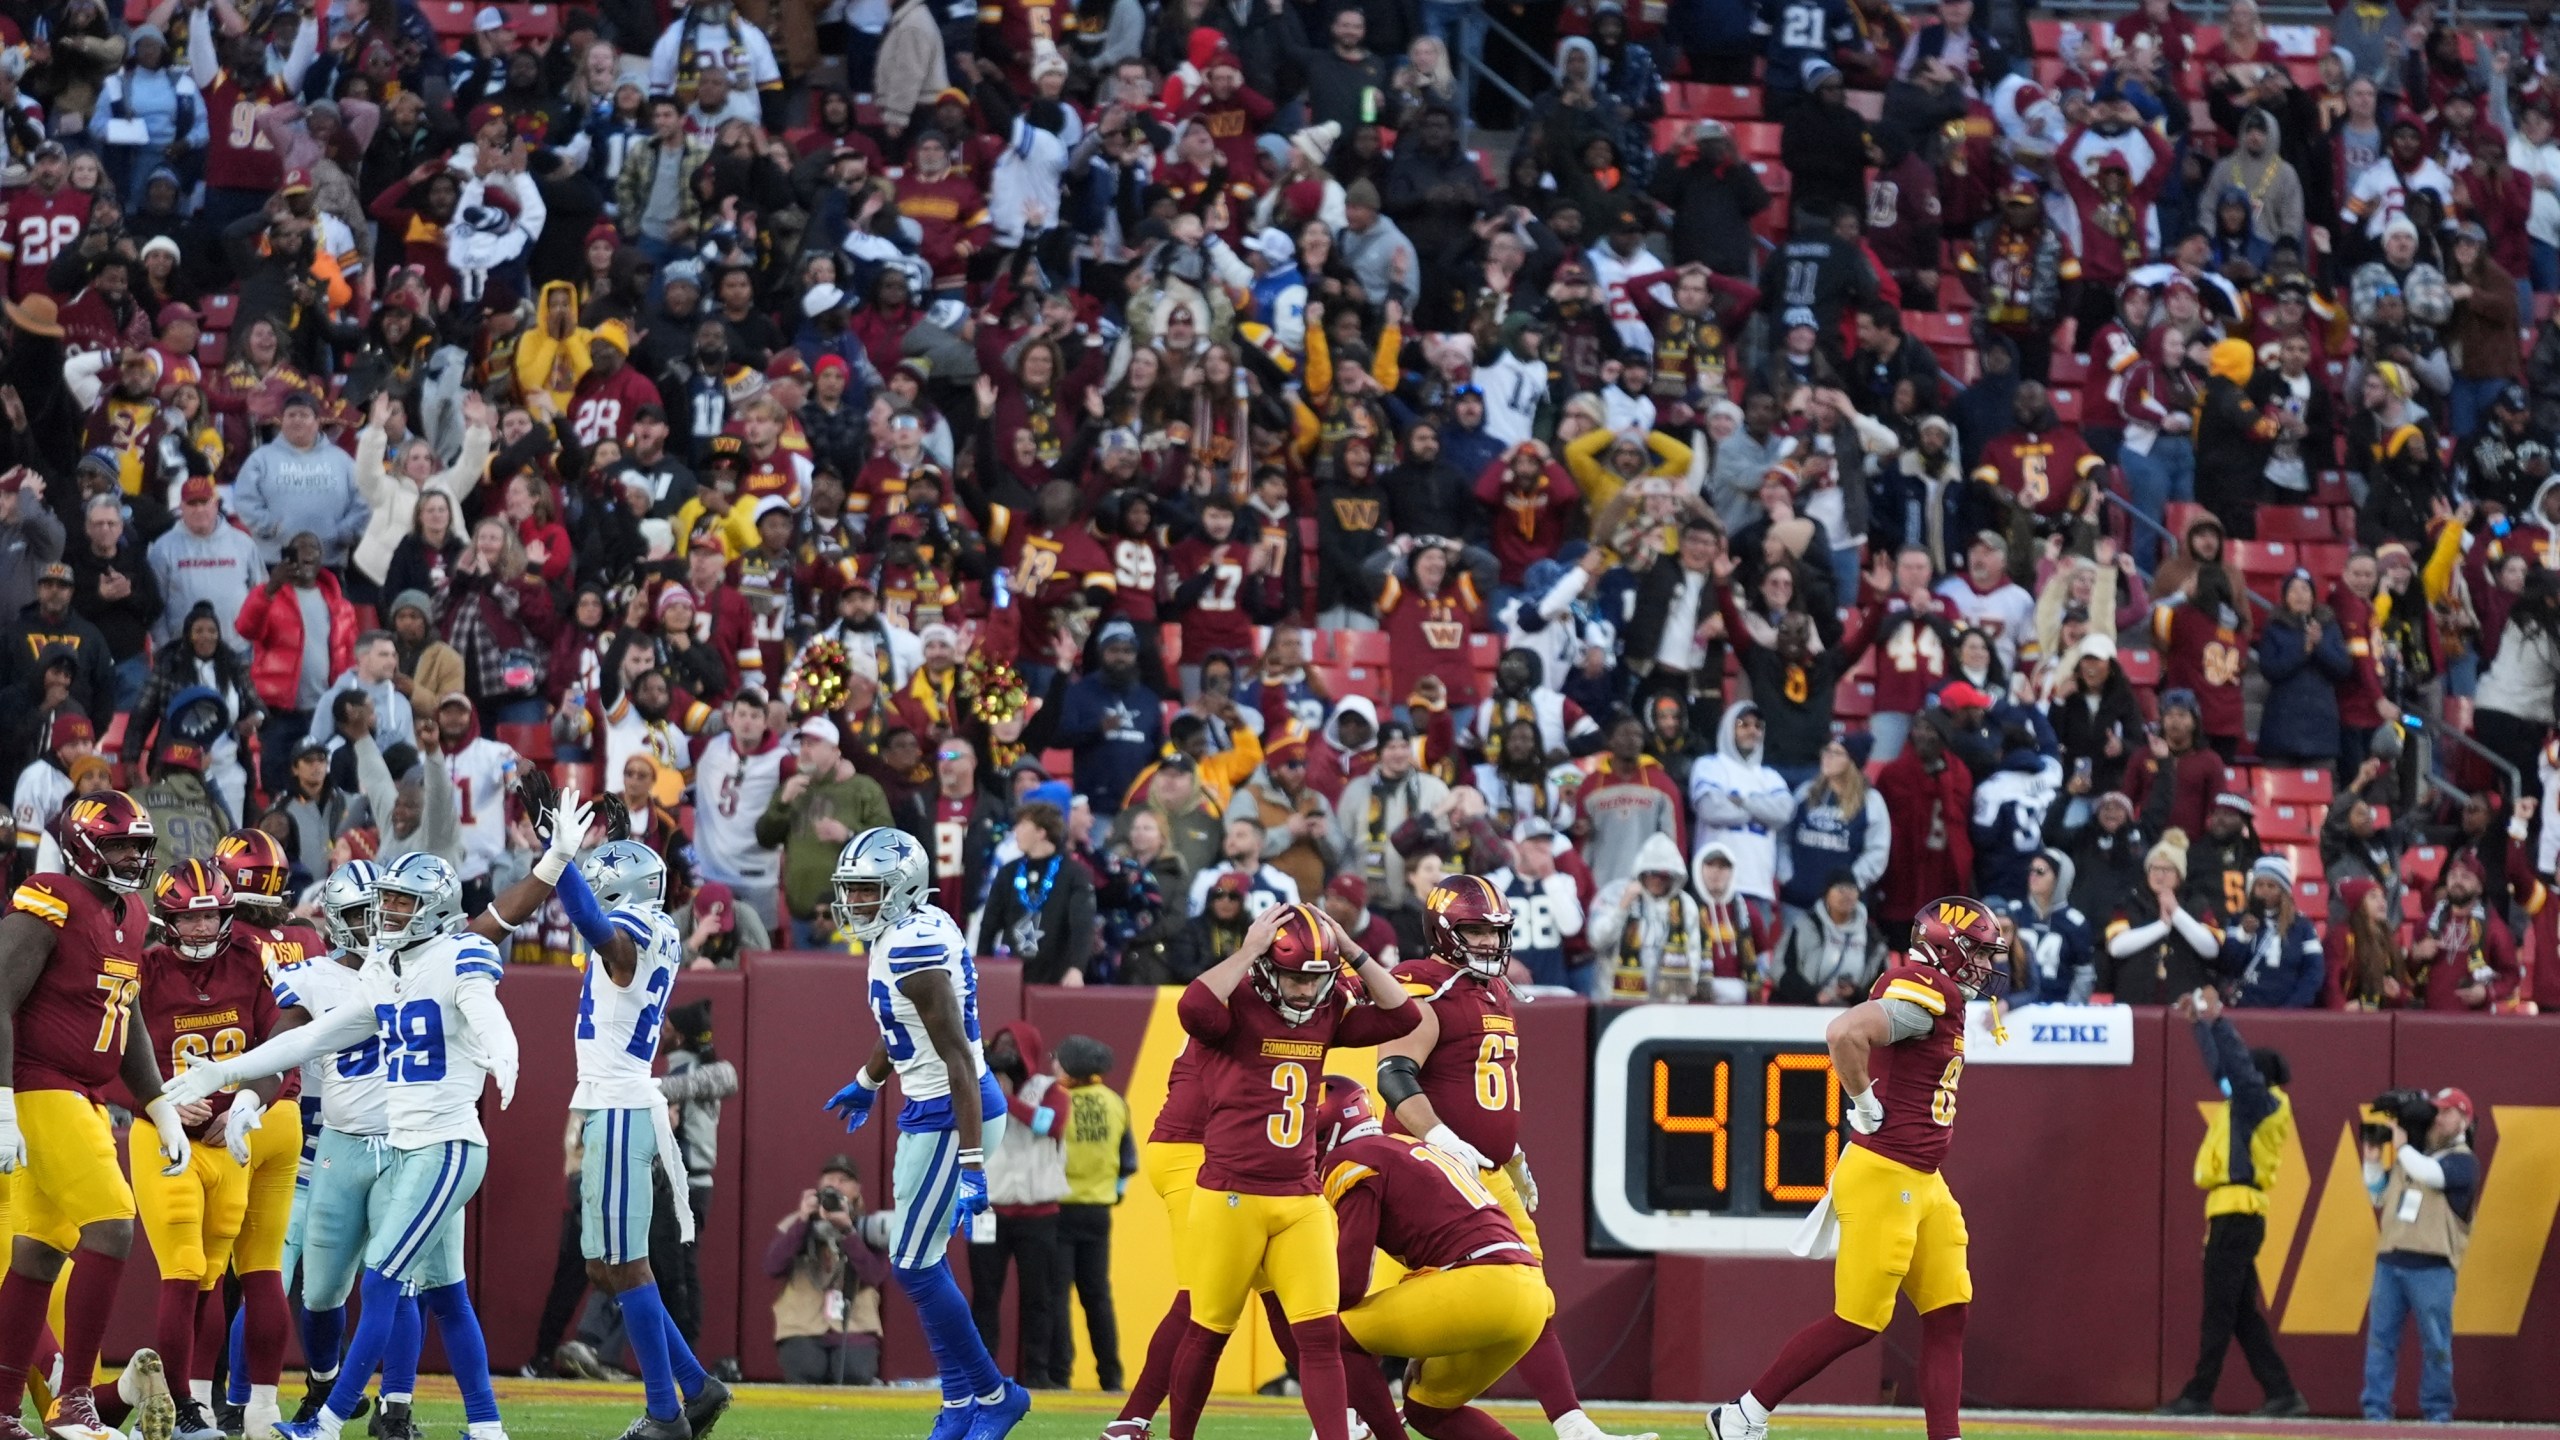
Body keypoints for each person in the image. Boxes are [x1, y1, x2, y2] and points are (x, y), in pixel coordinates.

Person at [168, 796, 601, 1440]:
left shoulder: (455, 954)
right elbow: (309, 1040)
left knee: (387, 1281)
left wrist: (502, 1047)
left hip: (440, 1144)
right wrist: (227, 1076)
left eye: (400, 904)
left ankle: (336, 1417)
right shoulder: (383, 973)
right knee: (406, 1291)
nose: (385, 916)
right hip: (384, 1145)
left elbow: (490, 957)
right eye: (383, 904)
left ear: (431, 912)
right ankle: (483, 1426)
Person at [1707, 900, 2002, 1440]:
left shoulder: (1941, 992)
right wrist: (1863, 1101)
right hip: (1885, 1174)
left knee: (1949, 1310)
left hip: (1923, 1178)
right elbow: (1844, 1033)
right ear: (1947, 946)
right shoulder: (1924, 989)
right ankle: (1743, 1413)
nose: (1985, 964)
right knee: (1859, 1321)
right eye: (1979, 951)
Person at [1375, 875, 1650, 1440]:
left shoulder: (1495, 991)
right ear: (1443, 932)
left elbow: (1481, 1087)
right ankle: (1356, 1411)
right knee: (1423, 1292)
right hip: (1427, 1163)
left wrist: (1510, 1149)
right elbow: (1395, 1074)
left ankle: (1573, 1427)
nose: (1487, 943)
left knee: (1531, 1290)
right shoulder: (1422, 982)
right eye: (1474, 930)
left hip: (1486, 1168)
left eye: (1494, 932)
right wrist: (1439, 1139)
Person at [1150, 903, 1416, 1440]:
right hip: (1230, 1195)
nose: (1303, 991)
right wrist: (1248, 949)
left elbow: (1403, 1015)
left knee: (1320, 1337)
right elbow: (1194, 1006)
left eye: (1315, 978)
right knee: (1208, 1333)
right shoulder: (1237, 1005)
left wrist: (1353, 951)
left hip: (1300, 1197)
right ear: (1268, 967)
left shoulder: (1325, 1009)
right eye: (1294, 976)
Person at [820, 826, 1029, 1440]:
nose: (854, 904)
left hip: (951, 1111)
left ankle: (995, 1394)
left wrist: (972, 1165)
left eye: (866, 891)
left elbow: (961, 1058)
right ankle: (961, 1405)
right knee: (922, 1259)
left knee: (912, 1265)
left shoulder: (912, 953)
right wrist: (867, 1078)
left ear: (902, 889)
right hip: (930, 1104)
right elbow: (905, 1027)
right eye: (852, 891)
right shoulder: (910, 929)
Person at [0, 792, 192, 1440]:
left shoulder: (133, 913)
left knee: (37, 1252)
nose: (134, 856)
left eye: (141, 845)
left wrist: (159, 1102)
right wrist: (2, 1102)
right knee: (112, 1222)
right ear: (84, 844)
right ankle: (75, 1399)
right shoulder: (50, 897)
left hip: (83, 1092)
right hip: (37, 1083)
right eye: (120, 845)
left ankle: (1, 1412)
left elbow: (127, 1010)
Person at [1309, 1076, 1556, 1440]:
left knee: (1332, 1336)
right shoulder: (1406, 1148)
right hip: (1531, 1295)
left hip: (1480, 1284)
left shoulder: (1352, 1159)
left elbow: (1352, 1277)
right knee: (1429, 1411)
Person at [2159, 987, 2305, 1418]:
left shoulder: (2262, 1102)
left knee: (2219, 1310)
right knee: (2241, 1313)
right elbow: (2223, 1070)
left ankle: (2200, 1393)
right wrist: (2199, 1026)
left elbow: (2237, 1072)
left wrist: (2219, 1020)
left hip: (2236, 1213)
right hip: (2234, 1213)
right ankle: (2282, 1392)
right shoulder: (2249, 1104)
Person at [2360, 1089, 2479, 1422]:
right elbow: (2379, 1195)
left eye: (2447, 1112)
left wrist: (2401, 1147)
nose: (2439, 1118)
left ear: (2464, 1119)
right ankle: (2375, 1411)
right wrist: (2372, 1160)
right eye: (2436, 1112)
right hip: (2391, 1260)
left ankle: (2438, 1414)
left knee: (2436, 1347)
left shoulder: (2463, 1162)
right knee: (2380, 1342)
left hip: (2433, 1268)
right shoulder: (2413, 1157)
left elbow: (2432, 1175)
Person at [970, 1022, 1068, 1386]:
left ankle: (1038, 1373)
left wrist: (1004, 1098)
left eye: (1013, 1045)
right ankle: (981, 1373)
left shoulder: (1049, 1089)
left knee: (1038, 1298)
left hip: (1038, 1213)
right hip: (989, 1210)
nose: (1006, 1051)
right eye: (1000, 1044)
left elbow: (1049, 1124)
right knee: (984, 1296)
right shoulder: (980, 1088)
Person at [754, 718, 894, 947]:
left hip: (850, 919)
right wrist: (782, 803)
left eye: (814, 744)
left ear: (835, 751)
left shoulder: (862, 788)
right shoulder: (792, 788)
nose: (805, 750)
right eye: (803, 744)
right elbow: (765, 838)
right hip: (802, 917)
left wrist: (849, 835)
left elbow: (888, 843)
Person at [1050, 1035, 1132, 1392]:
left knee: (1058, 1297)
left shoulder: (1058, 1102)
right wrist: (1111, 1195)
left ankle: (1059, 1375)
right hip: (1099, 1212)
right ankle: (1111, 1377)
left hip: (1060, 1208)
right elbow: (1127, 1162)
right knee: (1097, 1297)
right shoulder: (1116, 1103)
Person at [977, 802, 1099, 983]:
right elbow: (989, 925)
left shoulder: (1075, 874)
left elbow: (1082, 926)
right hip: (1012, 978)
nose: (1015, 831)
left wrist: (1077, 968)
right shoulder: (1008, 872)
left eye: (1023, 825)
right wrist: (981, 968)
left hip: (1058, 978)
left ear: (1041, 832)